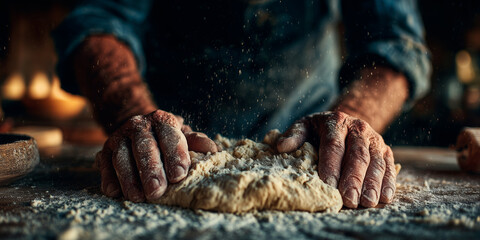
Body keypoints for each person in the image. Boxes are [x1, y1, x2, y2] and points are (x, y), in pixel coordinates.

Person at [53, 0, 431, 208]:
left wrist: (354, 118)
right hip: (172, 144)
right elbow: (99, 19)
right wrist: (130, 112)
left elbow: (396, 42)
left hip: (312, 143)